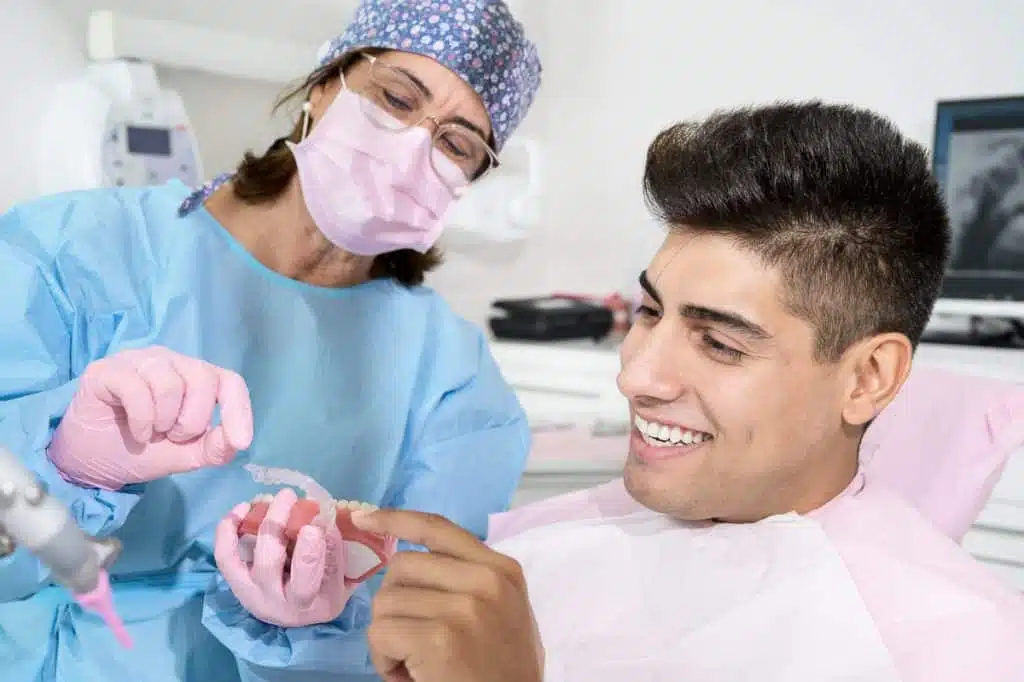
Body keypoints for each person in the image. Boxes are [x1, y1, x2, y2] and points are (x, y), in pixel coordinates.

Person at [341, 102, 1024, 681]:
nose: (635, 376)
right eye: (649, 312)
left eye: (720, 343)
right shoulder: (564, 543)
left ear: (868, 378)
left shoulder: (953, 650)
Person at [0, 1, 541, 681]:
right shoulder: (72, 254)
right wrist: (65, 467)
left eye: (456, 144)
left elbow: (423, 636)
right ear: (326, 85)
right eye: (397, 99)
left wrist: (321, 623)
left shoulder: (457, 384)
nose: (411, 149)